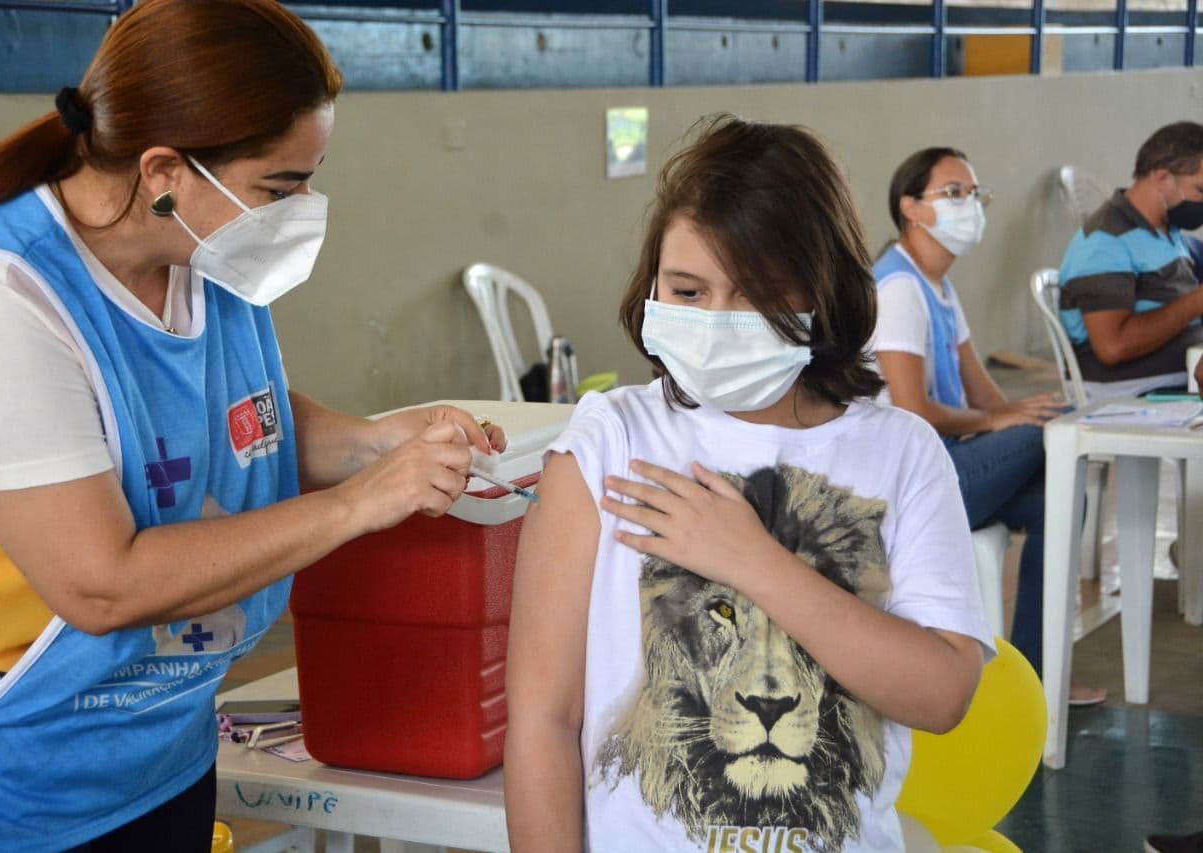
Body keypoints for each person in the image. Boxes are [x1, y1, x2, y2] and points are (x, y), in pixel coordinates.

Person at [0, 1, 504, 849]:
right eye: (280, 186)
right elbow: (101, 584)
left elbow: (244, 416)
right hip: (20, 777)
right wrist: (358, 502)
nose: (301, 208)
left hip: (166, 743)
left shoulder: (203, 254)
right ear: (164, 170)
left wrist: (376, 443)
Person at [503, 116, 994, 852]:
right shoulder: (608, 441)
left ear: (823, 290)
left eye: (758, 293)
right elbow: (544, 719)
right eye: (688, 290)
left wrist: (754, 561)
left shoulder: (902, 451)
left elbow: (943, 694)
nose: (718, 320)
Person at [869, 147, 1105, 706]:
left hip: (949, 464)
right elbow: (911, 410)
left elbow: (984, 392)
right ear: (911, 208)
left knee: (1058, 498)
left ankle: (1034, 675)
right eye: (953, 193)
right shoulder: (899, 289)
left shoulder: (940, 288)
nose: (969, 205)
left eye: (975, 194)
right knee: (1043, 434)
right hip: (907, 484)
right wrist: (1005, 422)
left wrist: (1016, 415)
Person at [1059, 121, 1203, 399]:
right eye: (1200, 190)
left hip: (1180, 376)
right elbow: (1113, 347)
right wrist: (1196, 302)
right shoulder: (1105, 241)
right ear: (1162, 178)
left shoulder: (1166, 230)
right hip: (1131, 392)